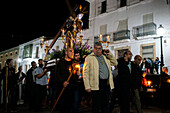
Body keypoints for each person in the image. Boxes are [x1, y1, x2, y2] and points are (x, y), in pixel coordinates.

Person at [83, 42, 117, 113]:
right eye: (96, 48)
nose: (98, 50)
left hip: (106, 84)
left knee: (106, 103)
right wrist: (87, 86)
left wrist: (109, 54)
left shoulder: (106, 57)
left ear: (102, 49)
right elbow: (85, 73)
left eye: (99, 49)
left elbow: (115, 63)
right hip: (96, 84)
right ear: (94, 49)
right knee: (96, 105)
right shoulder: (89, 58)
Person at [55, 47, 75, 113]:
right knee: (63, 107)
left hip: (71, 88)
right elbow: (57, 75)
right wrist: (62, 82)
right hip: (62, 88)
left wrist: (77, 74)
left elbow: (74, 77)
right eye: (70, 51)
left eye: (73, 52)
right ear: (66, 52)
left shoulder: (73, 63)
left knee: (71, 107)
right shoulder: (60, 63)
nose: (72, 53)